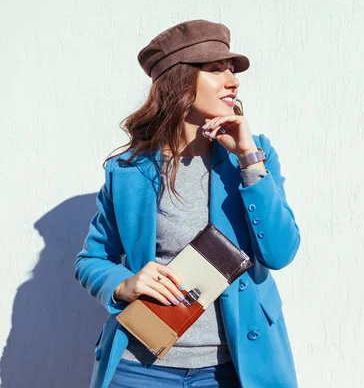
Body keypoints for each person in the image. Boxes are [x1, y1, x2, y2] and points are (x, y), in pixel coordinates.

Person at [74, 19, 301, 388]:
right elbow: (91, 260)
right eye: (215, 69)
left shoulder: (254, 155)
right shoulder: (129, 172)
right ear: (179, 80)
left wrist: (248, 159)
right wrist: (124, 284)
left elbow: (280, 252)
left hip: (232, 369)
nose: (233, 80)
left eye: (232, 69)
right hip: (140, 368)